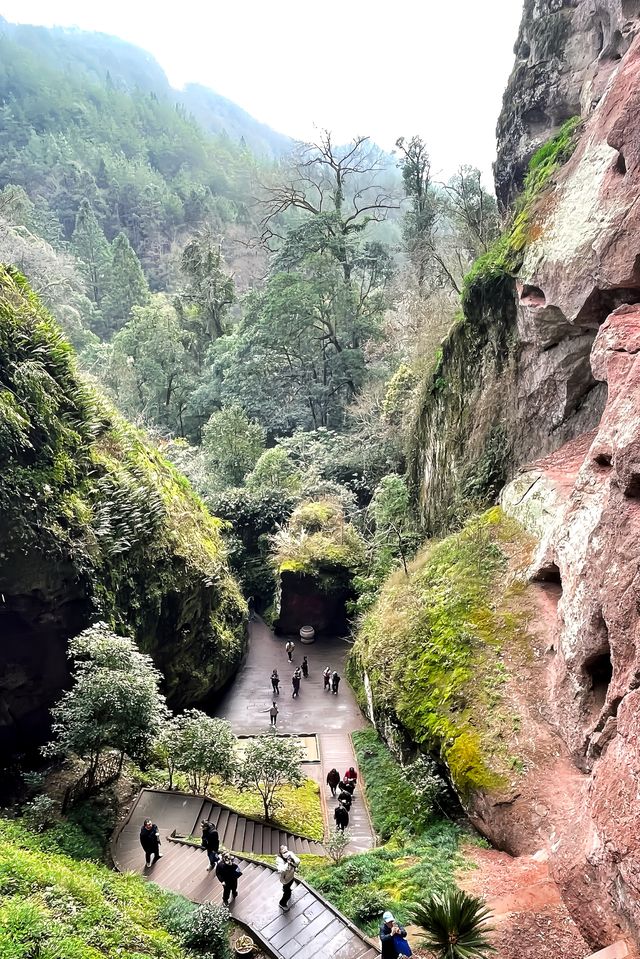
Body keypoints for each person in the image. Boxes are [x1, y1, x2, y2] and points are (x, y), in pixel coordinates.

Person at [275, 843, 300, 911]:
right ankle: (282, 903)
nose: (286, 853)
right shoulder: (279, 859)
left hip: (291, 874)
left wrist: (293, 860)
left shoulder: (290, 853)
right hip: (285, 877)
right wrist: (288, 863)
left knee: (290, 883)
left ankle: (285, 888)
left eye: (286, 851)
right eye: (284, 852)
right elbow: (281, 869)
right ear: (280, 852)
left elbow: (297, 861)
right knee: (287, 893)